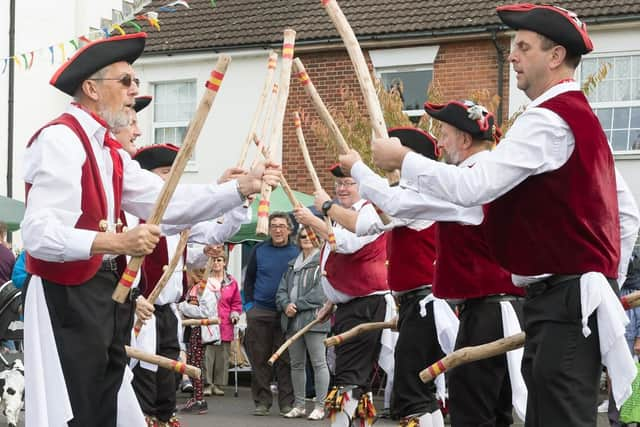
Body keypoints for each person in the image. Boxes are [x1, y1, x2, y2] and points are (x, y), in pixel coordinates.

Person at [369, 5, 640, 425]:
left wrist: (402, 158)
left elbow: (472, 188)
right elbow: (626, 214)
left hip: (561, 301)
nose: (512, 55)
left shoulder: (548, 120)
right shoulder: (578, 120)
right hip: (560, 301)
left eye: (523, 47)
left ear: (554, 57)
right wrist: (605, 284)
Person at [22, 32, 281, 427]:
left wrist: (241, 187)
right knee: (77, 408)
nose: (134, 91)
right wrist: (115, 241)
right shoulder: (61, 140)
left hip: (104, 295)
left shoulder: (108, 152)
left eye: (136, 81)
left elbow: (168, 203)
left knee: (104, 405)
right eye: (125, 81)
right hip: (67, 295)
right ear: (91, 88)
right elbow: (39, 233)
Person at [344, 109, 529, 426]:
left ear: (465, 139)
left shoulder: (468, 182)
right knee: (495, 412)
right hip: (499, 309)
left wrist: (358, 169)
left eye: (444, 133)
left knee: (471, 413)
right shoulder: (492, 175)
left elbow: (396, 204)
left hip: (487, 312)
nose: (440, 144)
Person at [341, 127, 464, 427]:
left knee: (411, 391)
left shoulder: (421, 194)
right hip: (416, 304)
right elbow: (373, 221)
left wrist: (353, 174)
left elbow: (377, 214)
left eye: (393, 146)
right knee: (418, 389)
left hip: (425, 304)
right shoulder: (410, 196)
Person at [129, 143, 251, 424]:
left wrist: (238, 196)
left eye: (174, 173)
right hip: (140, 312)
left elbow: (216, 232)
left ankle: (163, 417)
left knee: (167, 382)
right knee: (142, 379)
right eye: (163, 173)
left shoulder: (177, 216)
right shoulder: (135, 215)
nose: (170, 179)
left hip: (168, 312)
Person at [294, 165, 389, 427]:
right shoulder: (343, 215)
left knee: (348, 377)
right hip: (352, 305)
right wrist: (331, 300)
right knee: (357, 378)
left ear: (363, 187)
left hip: (366, 304)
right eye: (339, 184)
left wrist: (313, 219)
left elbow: (344, 244)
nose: (342, 188)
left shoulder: (368, 211)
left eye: (349, 183)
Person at [244, 212, 299, 416]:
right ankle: (262, 402)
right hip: (260, 311)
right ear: (269, 229)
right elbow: (248, 279)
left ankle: (286, 403)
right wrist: (249, 306)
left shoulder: (297, 251)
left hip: (287, 313)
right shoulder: (259, 249)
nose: (277, 229)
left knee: (286, 359)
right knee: (259, 358)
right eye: (274, 226)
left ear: (289, 229)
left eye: (282, 226)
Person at [275, 228, 331, 420]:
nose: (306, 239)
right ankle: (299, 405)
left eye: (310, 235)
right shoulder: (292, 265)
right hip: (292, 322)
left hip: (315, 320)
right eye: (303, 236)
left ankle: (320, 406)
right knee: (296, 365)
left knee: (318, 363)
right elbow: (281, 290)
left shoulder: (321, 263)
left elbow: (321, 293)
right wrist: (285, 305)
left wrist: (296, 305)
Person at [202, 244, 242, 398]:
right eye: (214, 260)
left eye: (219, 260)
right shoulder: (205, 280)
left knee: (222, 356)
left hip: (225, 323)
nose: (217, 263)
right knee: (208, 355)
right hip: (209, 322)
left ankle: (218, 384)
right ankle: (207, 383)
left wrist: (235, 313)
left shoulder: (231, 282)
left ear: (225, 262)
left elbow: (237, 303)